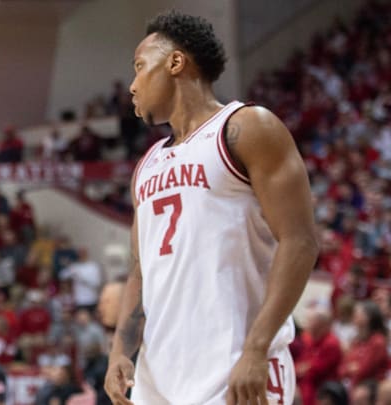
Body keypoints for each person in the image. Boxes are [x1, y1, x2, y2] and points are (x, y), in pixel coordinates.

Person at [105, 10, 318, 405]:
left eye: (139, 68)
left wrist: (256, 349)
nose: (132, 86)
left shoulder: (247, 127)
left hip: (236, 368)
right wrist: (121, 350)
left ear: (175, 62)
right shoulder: (147, 163)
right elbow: (140, 267)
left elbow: (300, 240)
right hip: (159, 376)